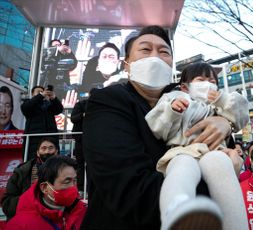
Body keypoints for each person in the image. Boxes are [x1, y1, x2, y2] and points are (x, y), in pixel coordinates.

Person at [81, 25, 241, 230]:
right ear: (127, 65)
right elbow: (130, 191)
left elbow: (221, 150)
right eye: (145, 50)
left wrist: (225, 123)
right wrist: (222, 185)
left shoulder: (191, 101)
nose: (155, 57)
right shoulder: (108, 101)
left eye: (164, 51)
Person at [145, 62, 249, 229]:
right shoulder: (174, 98)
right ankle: (175, 213)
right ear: (185, 87)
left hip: (214, 150)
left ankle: (236, 224)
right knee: (181, 169)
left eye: (212, 80)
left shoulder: (219, 105)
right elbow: (157, 128)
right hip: (182, 150)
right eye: (201, 79)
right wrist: (172, 110)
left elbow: (241, 115)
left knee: (221, 167)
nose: (208, 83)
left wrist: (222, 100)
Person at [4, 155, 87, 230]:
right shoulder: (19, 226)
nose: (73, 187)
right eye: (67, 181)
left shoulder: (83, 213)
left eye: (75, 180)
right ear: (45, 188)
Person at [1, 137, 59, 220]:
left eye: (51, 148)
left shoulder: (66, 170)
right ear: (38, 153)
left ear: (56, 151)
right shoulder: (23, 171)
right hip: (27, 218)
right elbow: (7, 203)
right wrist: (29, 199)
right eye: (44, 148)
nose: (47, 151)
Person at [21, 85, 63, 160]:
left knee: (53, 163)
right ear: (32, 94)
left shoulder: (49, 105)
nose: (42, 93)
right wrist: (41, 95)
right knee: (34, 162)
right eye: (39, 92)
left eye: (43, 91)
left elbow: (59, 109)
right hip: (34, 141)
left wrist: (53, 98)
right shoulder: (28, 103)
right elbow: (25, 108)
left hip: (51, 138)